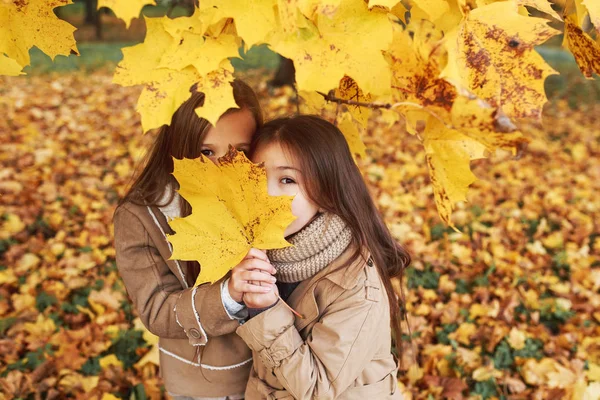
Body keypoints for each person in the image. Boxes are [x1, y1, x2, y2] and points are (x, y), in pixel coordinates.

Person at [113, 80, 276, 400]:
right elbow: (157, 309)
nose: (220, 166)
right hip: (209, 383)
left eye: (239, 151)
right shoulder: (144, 217)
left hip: (281, 371)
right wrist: (228, 295)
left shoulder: (269, 195)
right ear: (179, 146)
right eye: (205, 152)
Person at [233, 115, 411, 399]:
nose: (266, 193)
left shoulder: (356, 286)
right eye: (257, 175)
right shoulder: (258, 252)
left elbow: (317, 389)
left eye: (287, 179)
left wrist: (265, 311)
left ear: (326, 189)